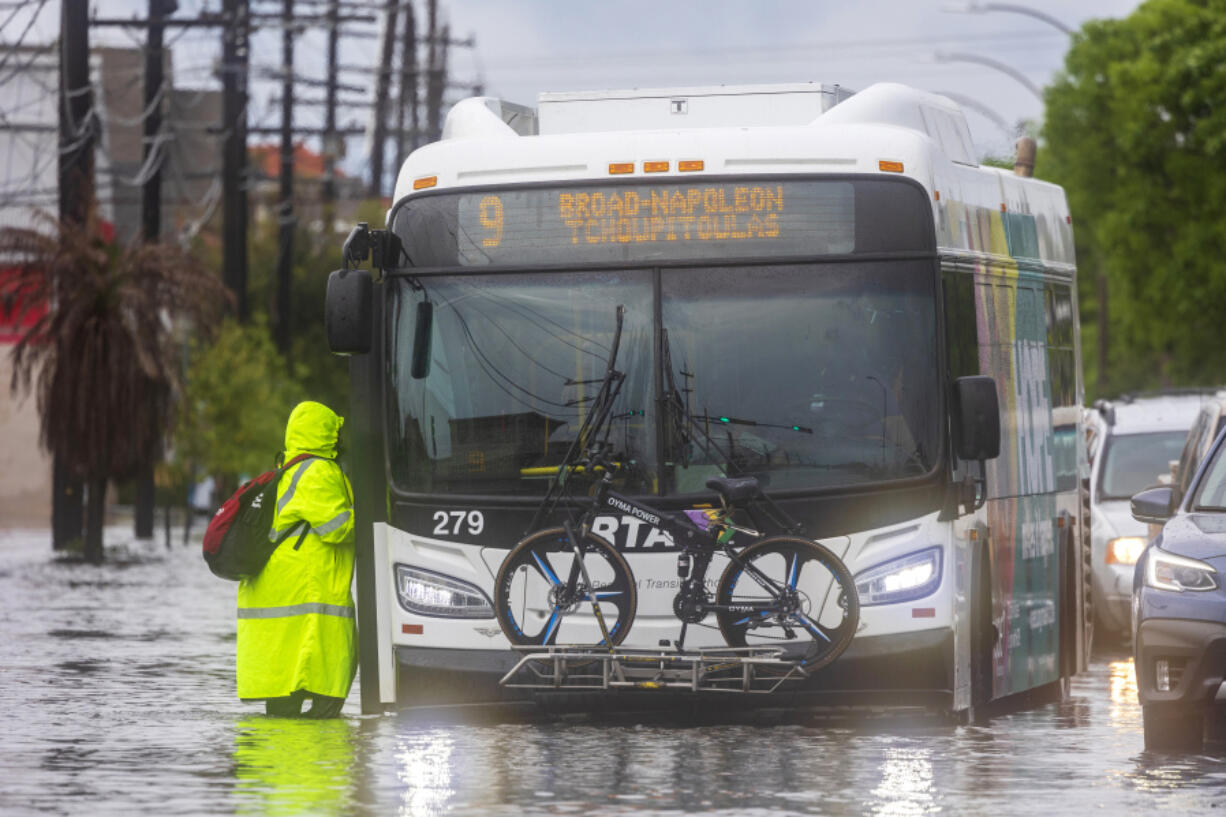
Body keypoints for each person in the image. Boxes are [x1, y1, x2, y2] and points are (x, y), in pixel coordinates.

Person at [236, 401, 357, 718]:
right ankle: (317, 760)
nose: (340, 437)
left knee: (283, 696)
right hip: (307, 585)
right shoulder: (317, 471)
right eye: (335, 430)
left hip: (281, 585)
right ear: (325, 433)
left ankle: (285, 760)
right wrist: (382, 513)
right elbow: (338, 527)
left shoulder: (289, 465)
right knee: (328, 692)